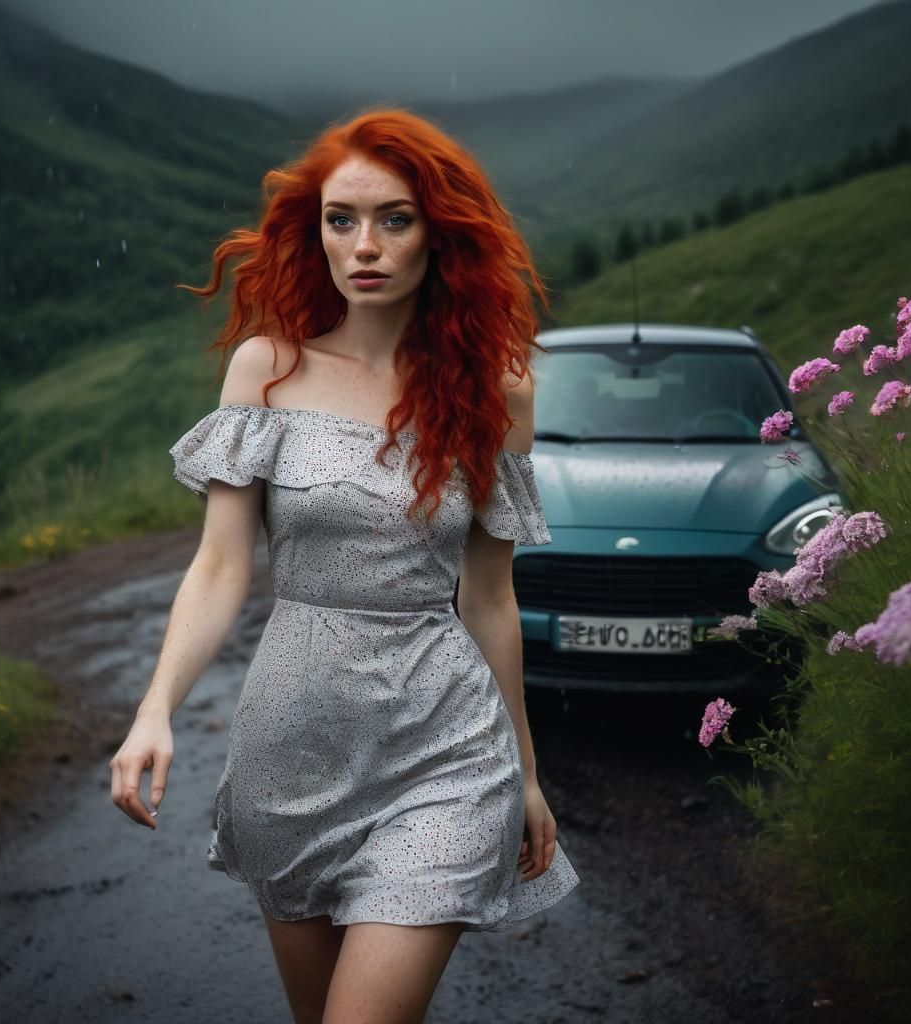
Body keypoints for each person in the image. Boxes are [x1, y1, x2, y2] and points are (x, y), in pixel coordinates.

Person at [108, 107, 580, 1024]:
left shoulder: (499, 391)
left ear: (439, 233)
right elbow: (219, 569)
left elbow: (488, 598)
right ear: (313, 229)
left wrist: (524, 773)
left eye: (394, 219)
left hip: (444, 749)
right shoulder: (267, 371)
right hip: (290, 753)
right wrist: (154, 709)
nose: (364, 245)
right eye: (341, 219)